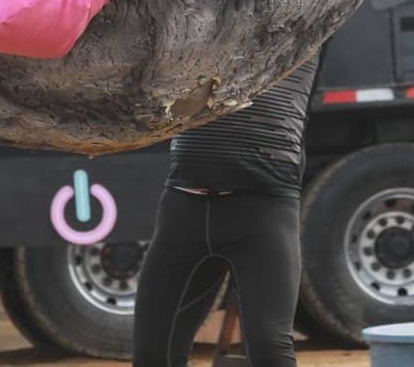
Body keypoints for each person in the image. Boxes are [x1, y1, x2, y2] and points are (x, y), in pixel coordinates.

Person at [132, 58, 318, 367]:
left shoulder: (304, 20)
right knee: (153, 356)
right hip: (183, 209)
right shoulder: (197, 18)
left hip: (262, 211)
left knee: (270, 350)